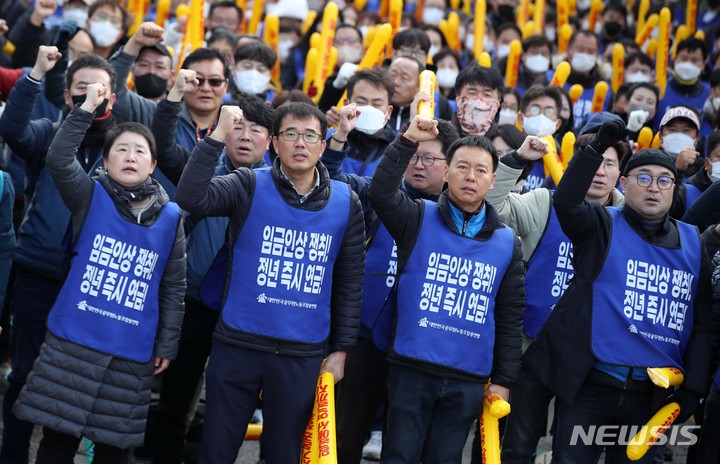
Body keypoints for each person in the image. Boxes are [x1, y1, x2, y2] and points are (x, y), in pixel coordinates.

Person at [175, 102, 365, 463]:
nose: (300, 143)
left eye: (310, 135)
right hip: (237, 343)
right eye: (291, 134)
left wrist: (340, 351)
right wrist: (217, 135)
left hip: (302, 353)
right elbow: (191, 196)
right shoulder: (248, 183)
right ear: (275, 143)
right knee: (215, 451)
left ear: (323, 146)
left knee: (283, 454)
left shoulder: (346, 202)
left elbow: (349, 280)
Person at [12, 81, 185, 464]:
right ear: (105, 161)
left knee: (113, 448)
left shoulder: (171, 217)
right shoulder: (90, 196)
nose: (129, 156)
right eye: (120, 149)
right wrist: (86, 108)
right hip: (74, 340)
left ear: (153, 165)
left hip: (131, 348)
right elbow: (59, 158)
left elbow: (173, 286)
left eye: (139, 151)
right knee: (58, 440)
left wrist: (167, 344)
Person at [523, 119, 714, 463]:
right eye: (643, 178)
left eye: (664, 180)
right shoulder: (600, 223)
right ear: (625, 183)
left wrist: (694, 389)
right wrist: (594, 149)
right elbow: (565, 202)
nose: (653, 187)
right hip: (589, 386)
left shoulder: (693, 244)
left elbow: (700, 323)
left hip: (651, 396)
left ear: (674, 188)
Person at [368, 115, 525, 463]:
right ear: (446, 173)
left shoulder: (506, 242)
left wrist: (503, 380)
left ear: (494, 180)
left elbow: (510, 314)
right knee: (400, 456)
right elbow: (380, 191)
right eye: (462, 167)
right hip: (411, 366)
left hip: (468, 377)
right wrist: (407, 141)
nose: (471, 176)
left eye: (481, 170)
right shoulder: (417, 216)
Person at [142, 70, 274, 464]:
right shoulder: (200, 172)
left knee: (229, 403)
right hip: (195, 302)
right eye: (238, 127)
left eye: (256, 130)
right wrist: (174, 96)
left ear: (271, 140)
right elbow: (163, 146)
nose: (246, 136)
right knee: (177, 395)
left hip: (247, 314)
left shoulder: (279, 187)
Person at [0, 47, 124, 464]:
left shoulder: (125, 149)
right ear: (68, 98)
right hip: (40, 271)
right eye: (81, 90)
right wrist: (35, 73)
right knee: (24, 373)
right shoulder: (49, 133)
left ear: (115, 98)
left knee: (77, 380)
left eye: (100, 90)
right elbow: (12, 128)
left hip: (91, 282)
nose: (92, 97)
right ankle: (13, 453)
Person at [324, 109, 459, 463]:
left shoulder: (460, 215)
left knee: (405, 447)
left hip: (421, 346)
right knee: (343, 437)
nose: (417, 165)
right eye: (412, 155)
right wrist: (339, 138)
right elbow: (331, 179)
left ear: (449, 167)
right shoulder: (377, 193)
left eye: (428, 158)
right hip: (365, 334)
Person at [490, 130, 628, 463]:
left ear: (619, 175)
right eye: (591, 162)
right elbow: (491, 206)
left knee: (572, 453)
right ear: (571, 166)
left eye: (609, 164)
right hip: (530, 346)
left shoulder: (630, 218)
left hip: (589, 357)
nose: (599, 171)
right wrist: (518, 159)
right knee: (518, 446)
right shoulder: (543, 201)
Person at [324, 68, 396, 176]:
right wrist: (341, 135)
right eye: (361, 102)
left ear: (389, 111)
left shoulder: (397, 149)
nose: (369, 108)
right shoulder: (325, 139)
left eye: (377, 104)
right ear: (346, 104)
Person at [453, 64, 504, 137]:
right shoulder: (440, 135)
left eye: (487, 94)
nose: (479, 100)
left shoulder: (504, 142)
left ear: (498, 100)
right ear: (458, 96)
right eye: (472, 93)